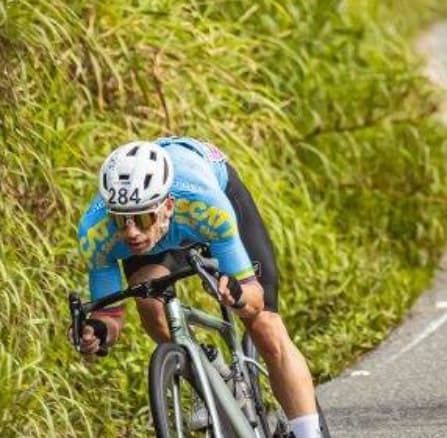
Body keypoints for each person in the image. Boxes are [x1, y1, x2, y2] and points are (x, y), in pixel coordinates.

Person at [73, 137, 324, 438]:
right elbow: (110, 315)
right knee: (148, 301)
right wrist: (97, 333)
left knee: (264, 325)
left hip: (206, 200)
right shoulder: (97, 233)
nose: (131, 233)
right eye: (120, 220)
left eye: (140, 218)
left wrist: (238, 293)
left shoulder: (207, 205)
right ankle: (216, 380)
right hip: (166, 231)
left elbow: (253, 299)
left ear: (167, 206)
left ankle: (309, 433)